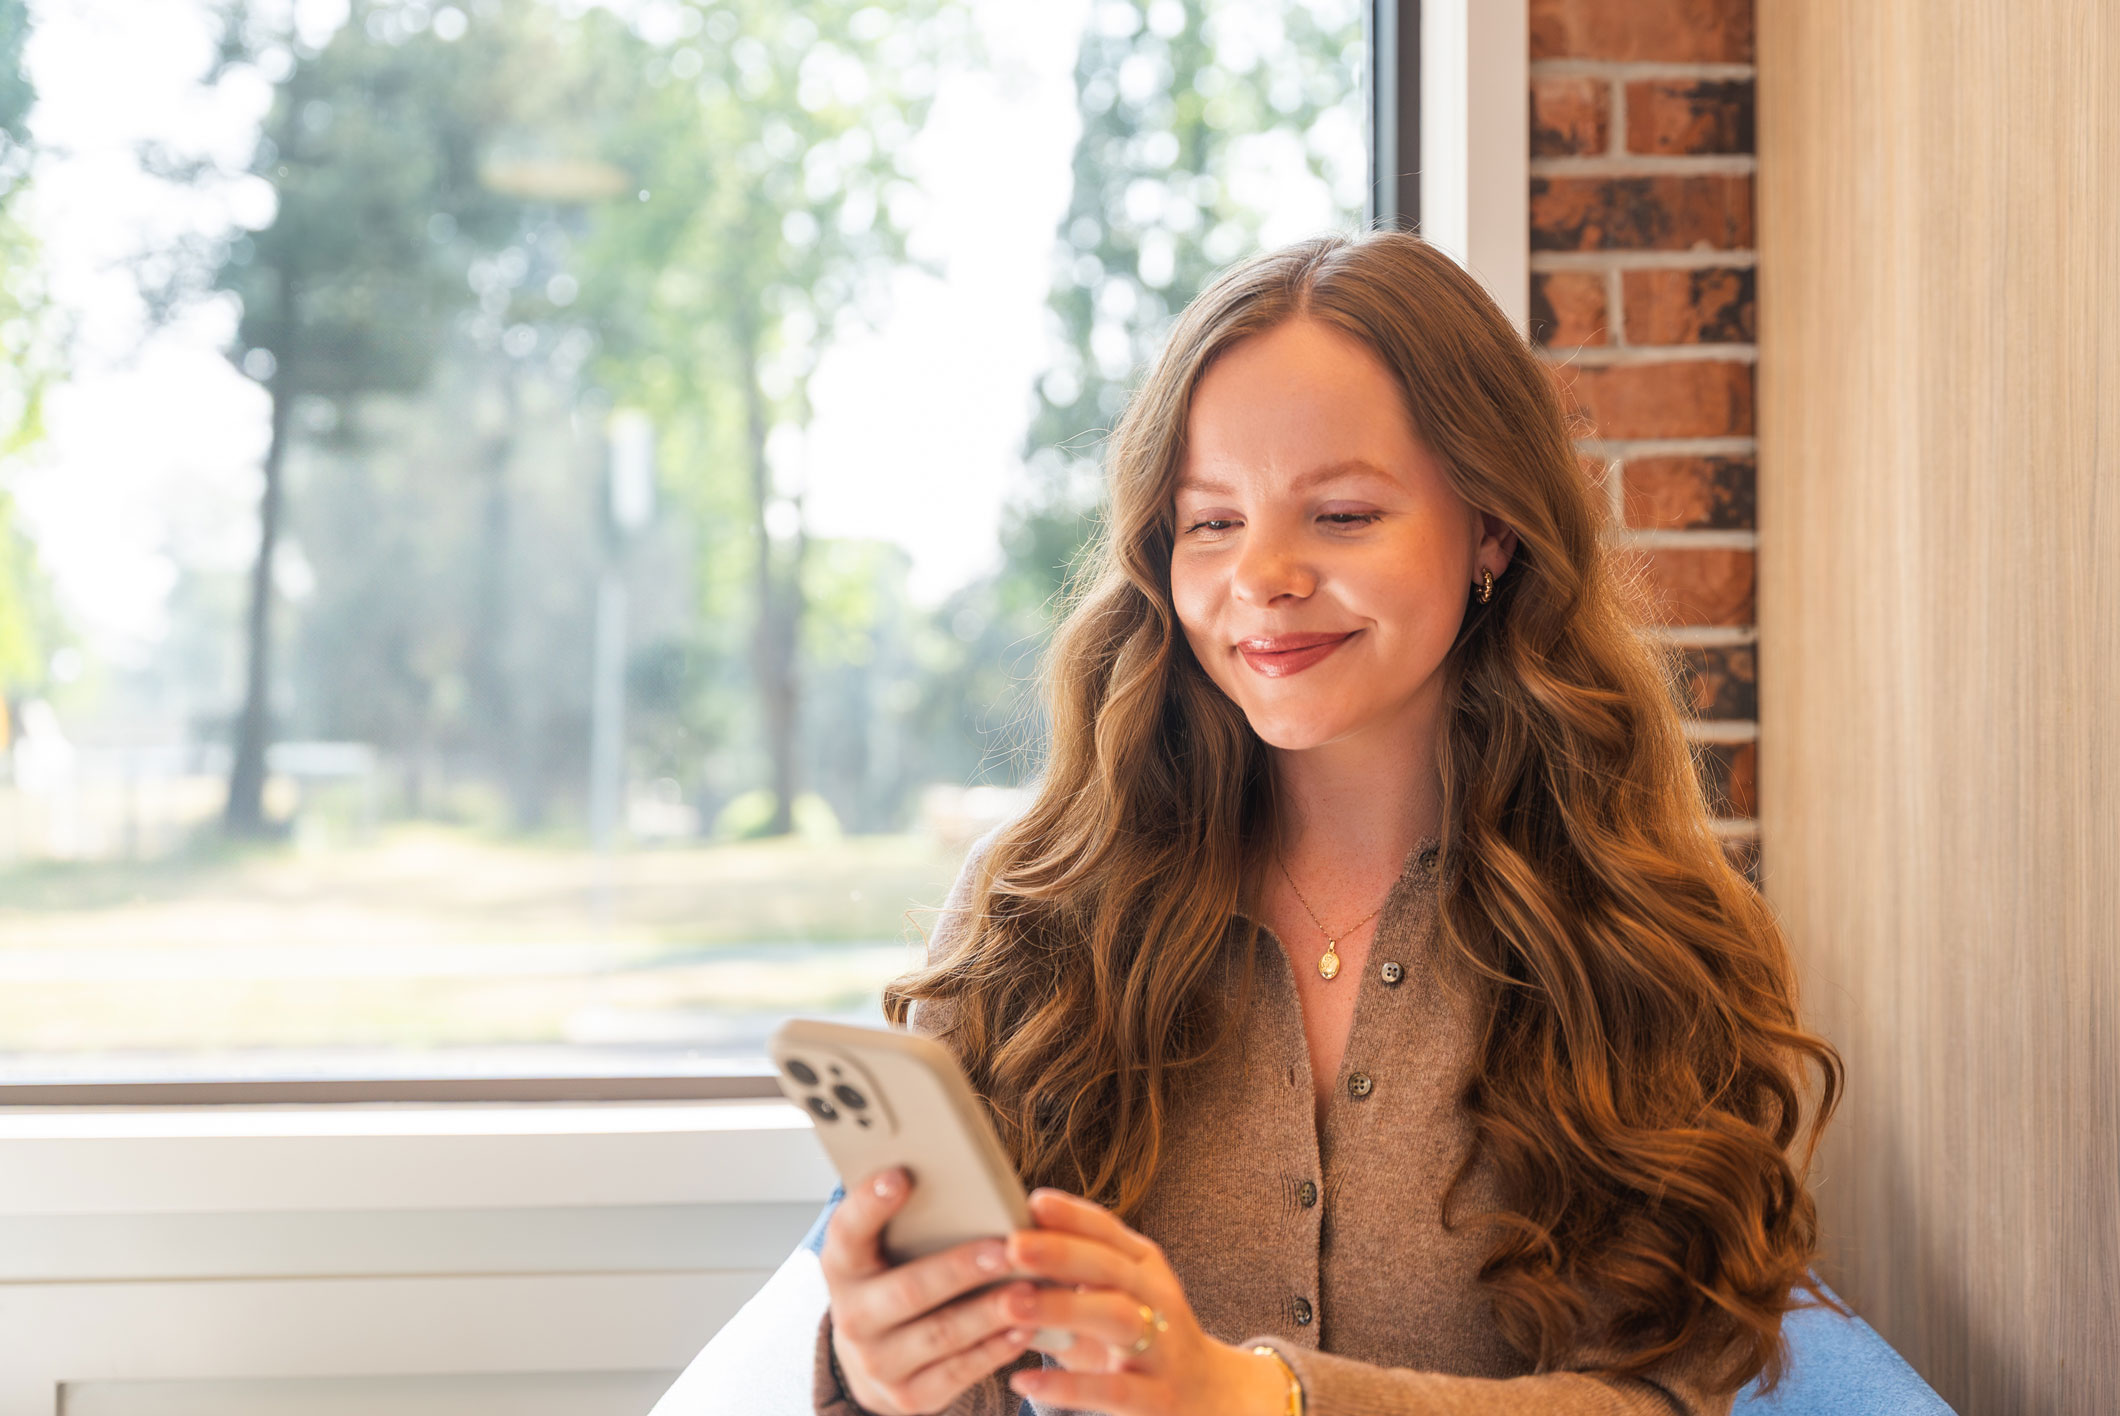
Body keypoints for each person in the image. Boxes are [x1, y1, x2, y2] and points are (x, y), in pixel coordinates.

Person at [809, 230, 1844, 1416]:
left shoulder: (1655, 932)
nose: (1262, 576)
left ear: (1493, 530)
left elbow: (1668, 1396)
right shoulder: (1036, 898)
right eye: (1210, 522)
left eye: (1342, 515)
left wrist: (1257, 1400)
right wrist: (878, 1368)